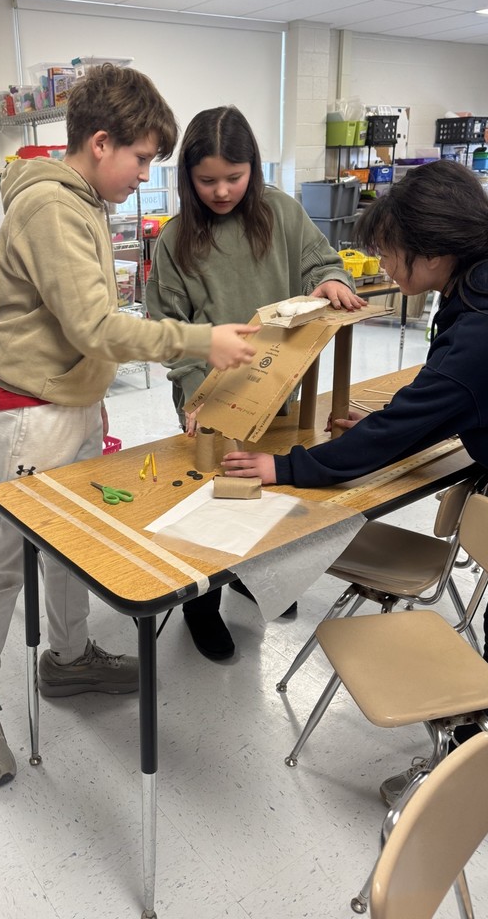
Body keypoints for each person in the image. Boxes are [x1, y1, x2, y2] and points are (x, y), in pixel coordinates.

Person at [0, 65, 259, 789]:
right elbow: (92, 325)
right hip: (26, 412)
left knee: (69, 546)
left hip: (64, 401)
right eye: (142, 159)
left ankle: (70, 659)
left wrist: (90, 399)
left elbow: (76, 329)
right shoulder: (54, 207)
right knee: (1, 562)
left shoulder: (82, 200)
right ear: (101, 141)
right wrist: (198, 340)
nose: (145, 175)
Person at [222, 158, 488, 798]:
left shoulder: (486, 321)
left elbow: (451, 391)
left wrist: (288, 467)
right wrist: (397, 421)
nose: (384, 267)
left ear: (432, 254)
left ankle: (457, 764)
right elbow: (458, 396)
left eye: (388, 253)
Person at [145, 105, 366, 662]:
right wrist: (196, 395)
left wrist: (333, 280)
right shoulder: (175, 240)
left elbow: (322, 261)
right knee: (216, 495)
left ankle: (251, 576)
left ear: (254, 169)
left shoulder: (280, 213)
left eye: (234, 177)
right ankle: (202, 603)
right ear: (187, 179)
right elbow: (168, 330)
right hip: (208, 391)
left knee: (265, 487)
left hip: (277, 384)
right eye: (208, 180)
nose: (222, 191)